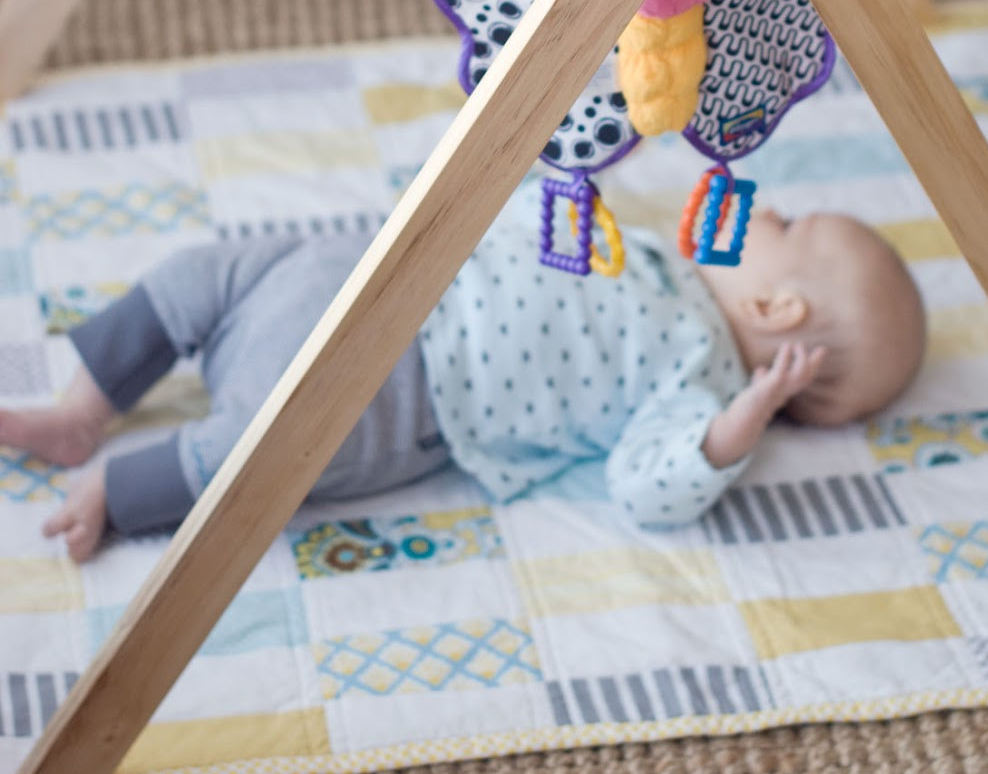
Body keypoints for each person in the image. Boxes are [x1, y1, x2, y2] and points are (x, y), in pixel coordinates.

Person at [0, 185, 925, 562]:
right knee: (202, 274)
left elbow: (650, 489)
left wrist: (744, 420)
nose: (762, 212)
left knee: (266, 446)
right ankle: (81, 406)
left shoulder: (696, 382)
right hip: (370, 269)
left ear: (777, 311)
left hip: (407, 386)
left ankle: (120, 489)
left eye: (785, 227)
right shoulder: (651, 253)